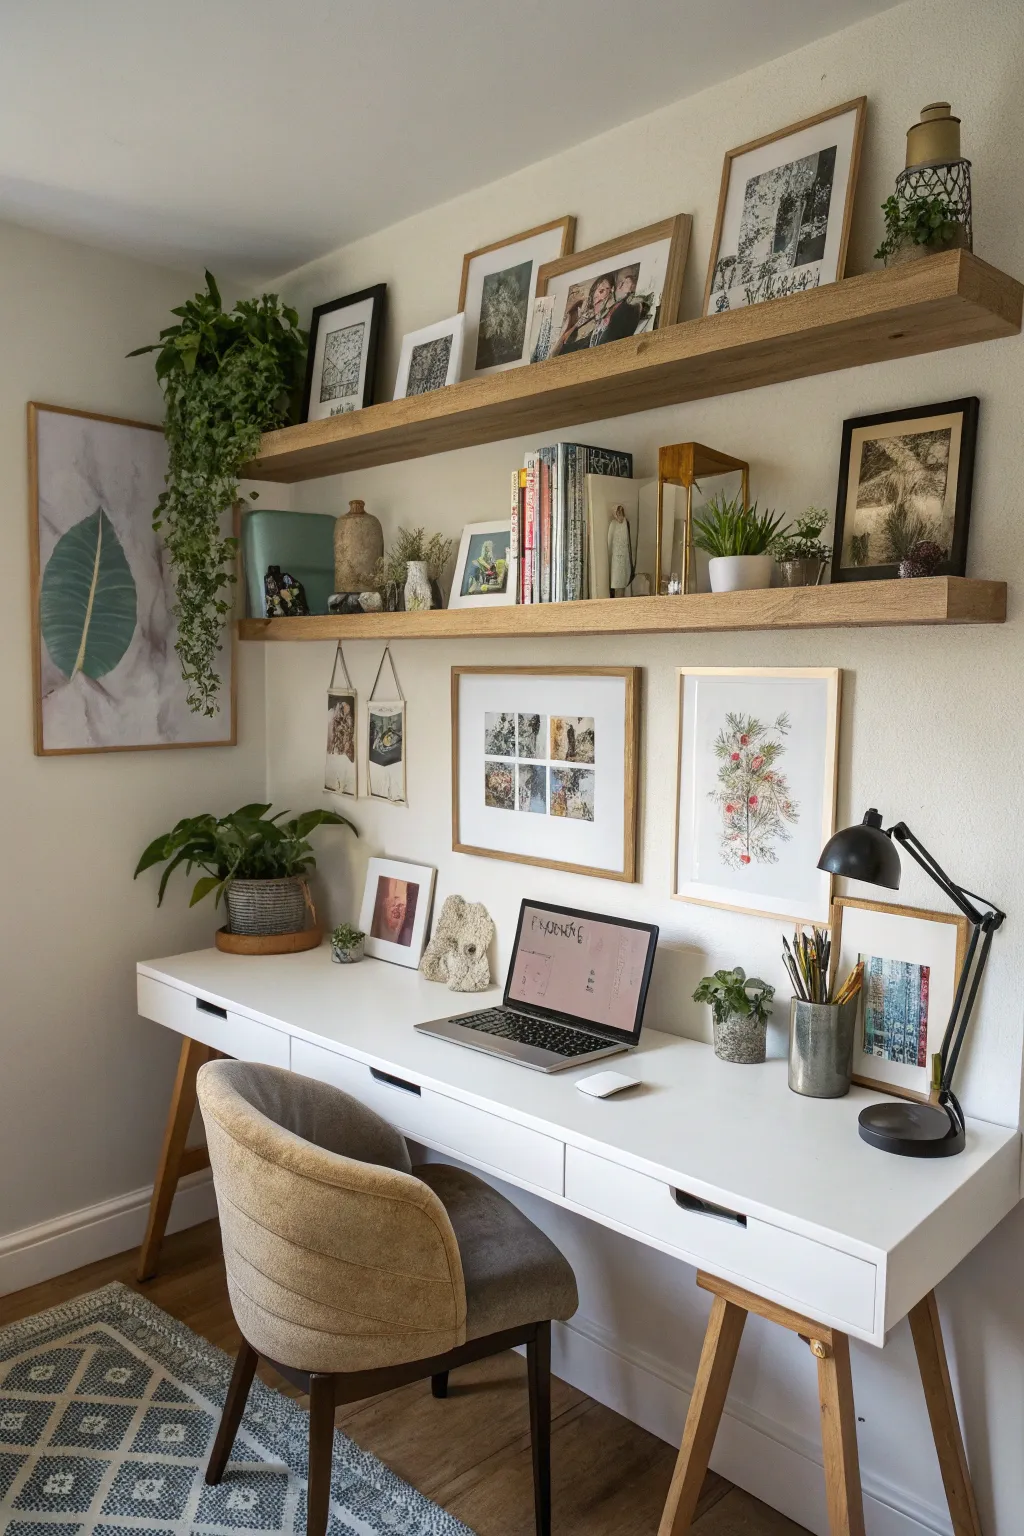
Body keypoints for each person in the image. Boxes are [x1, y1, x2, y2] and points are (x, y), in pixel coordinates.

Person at [607, 505, 634, 595]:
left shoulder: (626, 523)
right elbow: (610, 541)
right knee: (617, 582)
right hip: (616, 558)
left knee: (625, 579)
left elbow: (628, 540)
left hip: (625, 556)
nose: (620, 515)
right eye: (618, 513)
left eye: (621, 513)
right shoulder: (613, 524)